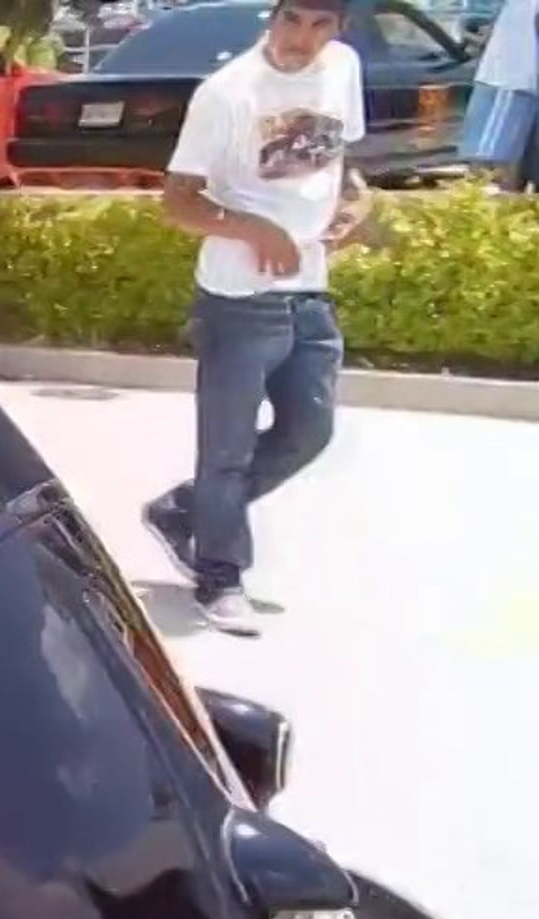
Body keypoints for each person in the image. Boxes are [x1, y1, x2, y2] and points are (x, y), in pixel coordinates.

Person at [141, 0, 369, 636]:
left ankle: (184, 511)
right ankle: (219, 575)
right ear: (272, 16)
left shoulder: (343, 68)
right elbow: (178, 202)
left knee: (309, 431)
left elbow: (339, 160)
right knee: (227, 451)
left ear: (341, 29)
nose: (302, 38)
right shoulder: (228, 92)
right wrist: (253, 228)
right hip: (238, 298)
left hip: (309, 288)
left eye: (320, 25)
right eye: (292, 20)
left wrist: (357, 202)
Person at [462, 0, 537, 189]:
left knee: (492, 168)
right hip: (513, 77)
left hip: (514, 77)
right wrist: (479, 22)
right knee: (491, 169)